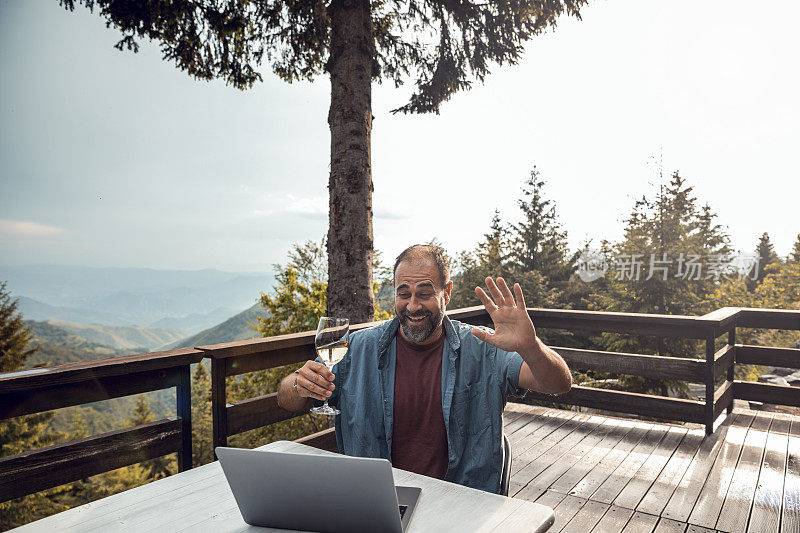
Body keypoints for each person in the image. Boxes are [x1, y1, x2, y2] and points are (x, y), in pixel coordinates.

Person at [277, 244, 572, 493]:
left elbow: (558, 383)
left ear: (448, 292)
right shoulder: (358, 348)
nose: (413, 305)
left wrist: (530, 347)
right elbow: (286, 398)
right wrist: (298, 383)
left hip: (461, 503)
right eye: (403, 293)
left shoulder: (484, 345)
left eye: (425, 292)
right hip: (377, 504)